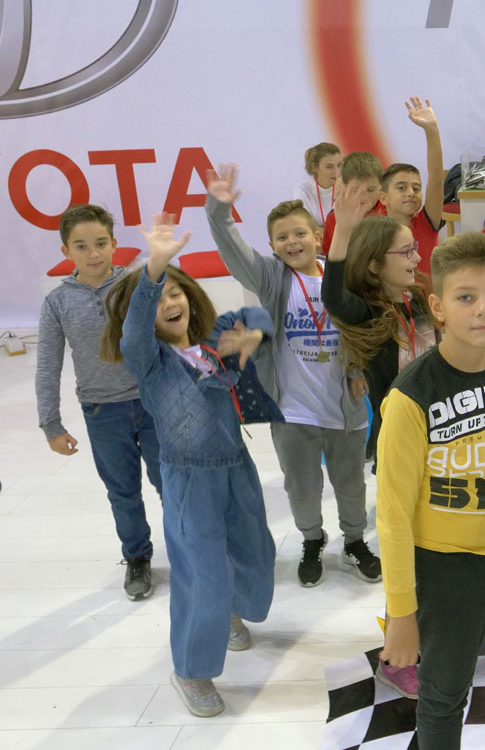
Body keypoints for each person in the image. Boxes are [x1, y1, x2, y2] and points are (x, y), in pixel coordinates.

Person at [376, 233, 485, 750]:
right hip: (445, 569)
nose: (482, 310)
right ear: (438, 308)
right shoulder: (411, 395)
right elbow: (392, 515)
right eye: (466, 297)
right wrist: (401, 613)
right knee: (445, 692)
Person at [100, 213, 280, 718]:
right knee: (203, 574)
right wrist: (155, 269)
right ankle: (190, 670)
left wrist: (254, 337)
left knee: (257, 555)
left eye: (175, 292)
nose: (169, 302)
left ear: (191, 298)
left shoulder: (214, 344)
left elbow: (260, 315)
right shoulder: (149, 360)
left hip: (237, 469)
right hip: (187, 481)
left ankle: (228, 612)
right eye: (159, 299)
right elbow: (135, 330)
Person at [205, 168, 379, 588]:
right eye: (281, 237)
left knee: (351, 485)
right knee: (301, 488)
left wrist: (357, 368)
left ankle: (355, 540)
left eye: (299, 233)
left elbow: (361, 326)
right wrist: (219, 211)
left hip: (344, 407)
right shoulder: (272, 278)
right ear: (271, 247)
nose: (292, 242)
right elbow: (233, 250)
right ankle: (312, 539)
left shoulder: (342, 274)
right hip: (292, 411)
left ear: (317, 235)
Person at [322, 183, 435, 699]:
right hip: (399, 445)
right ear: (373, 265)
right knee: (404, 549)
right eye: (405, 252)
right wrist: (343, 229)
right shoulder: (368, 313)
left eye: (414, 249)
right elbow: (333, 296)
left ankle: (425, 633)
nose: (415, 258)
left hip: (441, 440)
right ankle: (397, 655)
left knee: (433, 547)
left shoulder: (419, 300)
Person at [37, 205, 161, 600]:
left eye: (101, 243)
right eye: (81, 246)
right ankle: (137, 557)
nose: (93, 254)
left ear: (114, 243)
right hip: (102, 412)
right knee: (122, 491)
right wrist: (51, 424)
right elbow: (47, 365)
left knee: (172, 482)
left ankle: (191, 545)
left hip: (154, 403)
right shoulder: (57, 303)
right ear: (66, 250)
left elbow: (171, 336)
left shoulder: (137, 285)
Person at [375, 96, 448, 278]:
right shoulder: (373, 231)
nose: (410, 193)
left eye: (416, 188)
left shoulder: (426, 223)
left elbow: (436, 179)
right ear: (383, 197)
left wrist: (431, 130)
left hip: (427, 296)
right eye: (401, 187)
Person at [321, 151, 384, 254]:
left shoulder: (391, 209)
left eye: (371, 190)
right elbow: (327, 258)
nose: (364, 197)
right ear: (344, 187)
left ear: (381, 186)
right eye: (356, 190)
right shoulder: (335, 218)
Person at [293, 142, 342, 225]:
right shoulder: (303, 190)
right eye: (329, 167)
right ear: (314, 167)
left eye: (339, 165)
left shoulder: (347, 187)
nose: (337, 172)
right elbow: (307, 227)